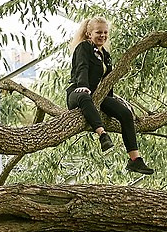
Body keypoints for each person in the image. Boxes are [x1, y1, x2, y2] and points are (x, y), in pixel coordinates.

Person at [66, 17, 154, 175]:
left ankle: (135, 160)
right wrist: (83, 86)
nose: (102, 35)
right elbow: (82, 67)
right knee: (86, 98)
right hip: (78, 92)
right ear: (89, 33)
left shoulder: (105, 54)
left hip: (98, 95)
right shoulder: (83, 47)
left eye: (105, 32)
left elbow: (108, 81)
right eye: (98, 32)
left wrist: (111, 103)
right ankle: (102, 135)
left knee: (125, 113)